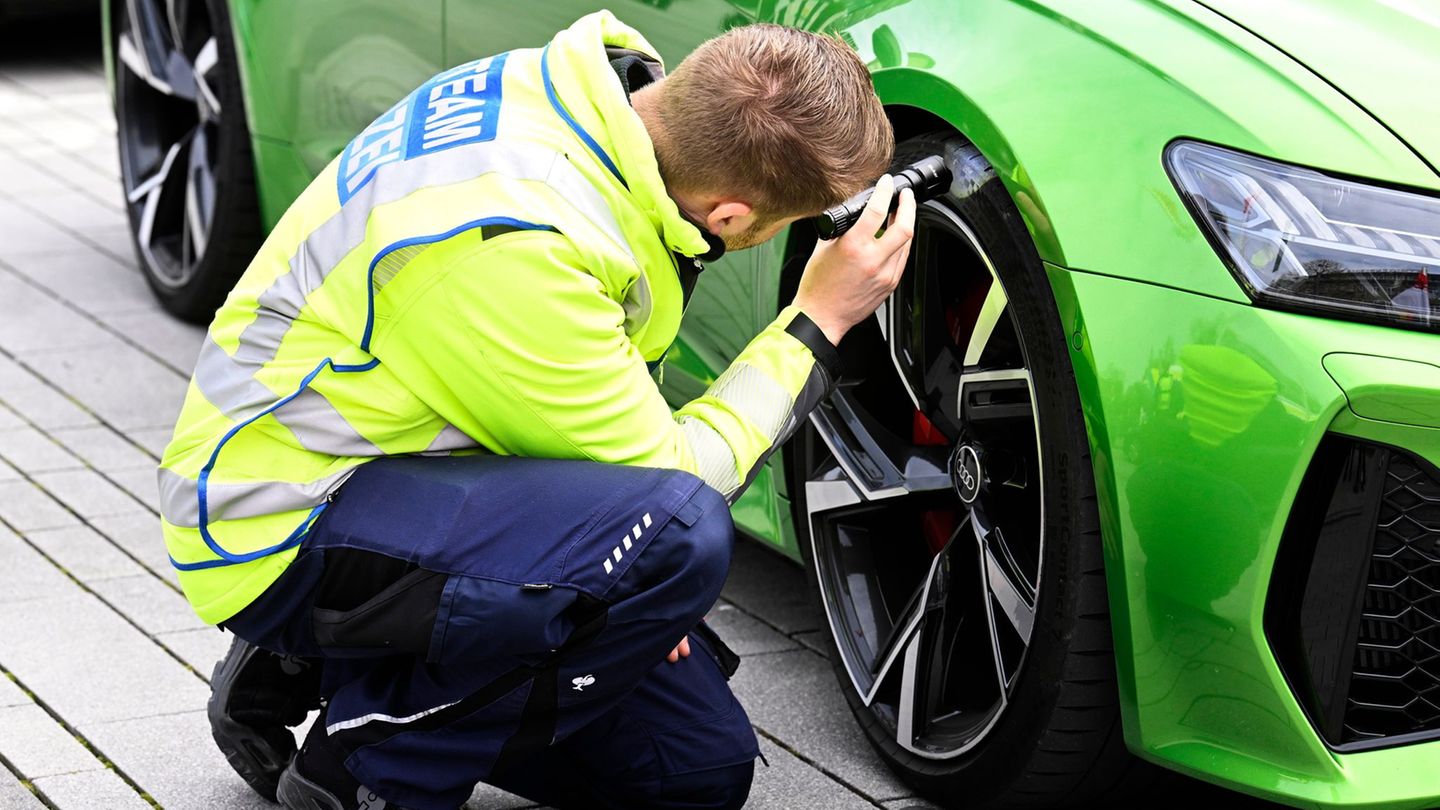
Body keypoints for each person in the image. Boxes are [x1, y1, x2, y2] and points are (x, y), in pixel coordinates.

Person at [159, 10, 913, 810]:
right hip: (282, 514)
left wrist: (610, 582)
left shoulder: (580, 97)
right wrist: (818, 321)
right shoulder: (520, 239)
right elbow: (676, 479)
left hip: (416, 464)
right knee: (676, 536)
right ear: (729, 216)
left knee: (691, 771)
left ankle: (326, 664)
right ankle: (367, 764)